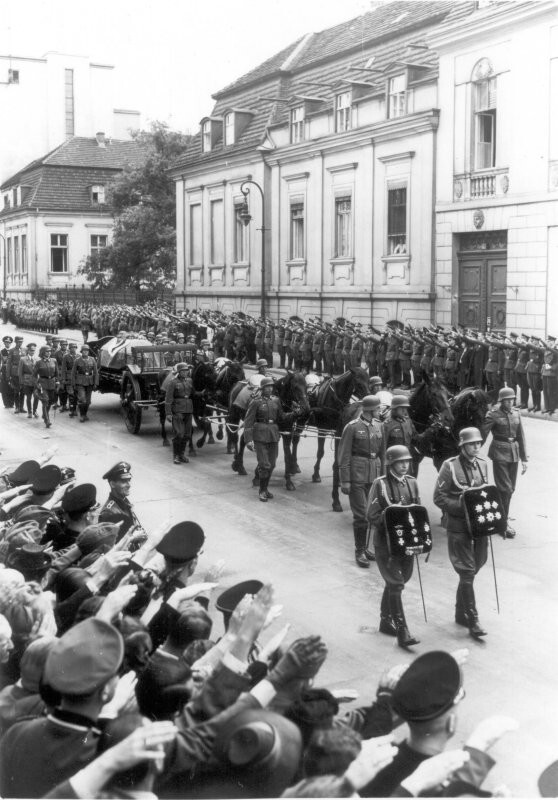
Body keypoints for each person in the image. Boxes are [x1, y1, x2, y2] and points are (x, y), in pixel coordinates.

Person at [0, 618, 124, 798]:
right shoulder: (100, 753)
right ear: (105, 691)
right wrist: (109, 717)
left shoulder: (18, 731)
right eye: (115, 676)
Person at [433, 427, 490, 639]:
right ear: (462, 445)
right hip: (458, 526)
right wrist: (462, 506)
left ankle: (459, 610)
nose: (476, 447)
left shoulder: (483, 465)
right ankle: (472, 618)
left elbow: (485, 493)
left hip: (479, 526)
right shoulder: (450, 467)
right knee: (466, 570)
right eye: (472, 444)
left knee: (477, 564)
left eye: (478, 443)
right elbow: (439, 498)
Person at [366, 445, 421, 648]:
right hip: (386, 543)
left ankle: (384, 620)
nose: (405, 465)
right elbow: (371, 515)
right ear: (391, 463)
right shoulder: (380, 485)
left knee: (401, 579)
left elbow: (418, 512)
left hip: (406, 542)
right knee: (396, 583)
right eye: (400, 462)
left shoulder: (412, 483)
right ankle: (402, 630)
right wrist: (392, 518)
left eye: (407, 461)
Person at [338, 395, 384, 568]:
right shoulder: (352, 427)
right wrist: (345, 481)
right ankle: (359, 551)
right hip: (356, 475)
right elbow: (344, 456)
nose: (380, 411)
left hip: (374, 475)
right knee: (361, 516)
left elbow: (383, 454)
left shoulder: (380, 426)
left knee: (371, 514)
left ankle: (365, 548)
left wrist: (384, 477)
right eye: (378, 409)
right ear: (370, 410)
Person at [482, 386, 528, 539]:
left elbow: (521, 436)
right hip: (499, 453)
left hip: (514, 453)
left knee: (511, 489)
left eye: (512, 399)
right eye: (506, 400)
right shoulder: (493, 414)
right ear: (501, 401)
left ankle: (499, 517)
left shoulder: (516, 413)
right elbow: (483, 433)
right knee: (505, 489)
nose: (509, 402)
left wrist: (524, 459)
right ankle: (503, 523)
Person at [244, 376, 298, 502]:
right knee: (264, 464)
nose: (269, 389)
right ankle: (262, 491)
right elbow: (248, 422)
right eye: (267, 387)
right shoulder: (256, 402)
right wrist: (248, 440)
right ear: (262, 388)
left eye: (271, 386)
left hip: (273, 434)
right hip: (260, 435)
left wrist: (294, 413)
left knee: (272, 464)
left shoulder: (276, 401)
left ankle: (266, 489)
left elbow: (282, 417)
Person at [99, 461, 144, 541]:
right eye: (123, 481)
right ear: (112, 484)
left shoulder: (123, 500)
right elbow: (109, 544)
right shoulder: (109, 512)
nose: (129, 485)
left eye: (128, 480)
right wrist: (133, 538)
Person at [165, 362, 193, 465]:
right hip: (177, 410)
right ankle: (176, 456)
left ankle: (181, 454)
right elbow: (168, 398)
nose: (186, 372)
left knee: (187, 434)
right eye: (184, 371)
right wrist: (168, 413)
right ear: (179, 372)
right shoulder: (173, 382)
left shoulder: (189, 381)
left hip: (188, 410)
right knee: (179, 433)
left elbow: (193, 393)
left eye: (187, 371)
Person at [32, 345, 59, 428]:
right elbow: (34, 375)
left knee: (50, 401)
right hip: (43, 384)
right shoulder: (39, 363)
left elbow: (57, 373)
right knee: (45, 401)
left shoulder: (54, 361)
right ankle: (47, 421)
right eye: (47, 351)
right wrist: (37, 384)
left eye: (50, 351)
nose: (49, 353)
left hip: (52, 383)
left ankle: (45, 414)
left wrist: (57, 381)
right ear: (43, 353)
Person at [71, 343, 98, 422]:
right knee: (82, 399)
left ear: (88, 352)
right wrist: (73, 384)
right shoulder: (77, 360)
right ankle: (82, 415)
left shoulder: (92, 359)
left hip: (90, 382)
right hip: (80, 382)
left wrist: (96, 383)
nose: (85, 352)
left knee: (88, 401)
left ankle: (85, 414)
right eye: (84, 351)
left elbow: (96, 372)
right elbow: (73, 373)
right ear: (81, 351)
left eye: (87, 351)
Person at [17, 342, 38, 418]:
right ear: (28, 351)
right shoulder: (23, 359)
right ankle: (29, 412)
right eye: (31, 350)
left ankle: (35, 411)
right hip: (27, 381)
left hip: (35, 382)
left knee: (36, 397)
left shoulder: (37, 359)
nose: (32, 352)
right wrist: (21, 382)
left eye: (33, 350)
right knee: (28, 398)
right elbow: (20, 372)